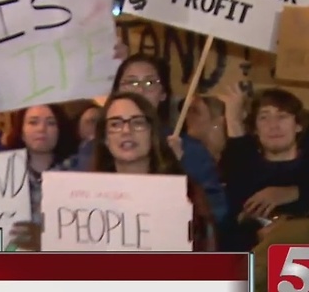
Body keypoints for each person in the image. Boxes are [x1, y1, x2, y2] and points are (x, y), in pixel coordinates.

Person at [75, 54, 228, 225]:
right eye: (131, 82)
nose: (140, 90)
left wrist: (172, 170)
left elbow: (215, 216)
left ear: (163, 93)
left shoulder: (191, 150)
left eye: (149, 83)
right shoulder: (92, 149)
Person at [89, 92, 214, 251]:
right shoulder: (87, 196)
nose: (126, 130)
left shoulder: (187, 192)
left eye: (138, 123)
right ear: (104, 138)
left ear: (152, 133)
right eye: (115, 124)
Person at [219, 85, 309, 251]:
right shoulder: (244, 167)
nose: (273, 125)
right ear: (255, 129)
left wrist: (293, 192)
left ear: (298, 125)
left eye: (282, 116)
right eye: (264, 118)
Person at [4, 104, 75, 225]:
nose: (41, 129)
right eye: (33, 122)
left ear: (60, 130)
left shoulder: (76, 172)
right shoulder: (4, 174)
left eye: (51, 123)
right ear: (21, 131)